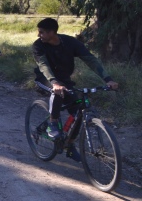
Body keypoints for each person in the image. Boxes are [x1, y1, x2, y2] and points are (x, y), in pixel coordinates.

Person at [32, 18, 119, 162]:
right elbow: (43, 66)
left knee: (78, 111)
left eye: (41, 32)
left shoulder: (70, 43)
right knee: (58, 92)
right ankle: (52, 124)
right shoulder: (38, 46)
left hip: (65, 81)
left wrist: (108, 79)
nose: (38, 35)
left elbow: (90, 60)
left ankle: (69, 145)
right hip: (45, 78)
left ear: (52, 32)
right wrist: (55, 83)